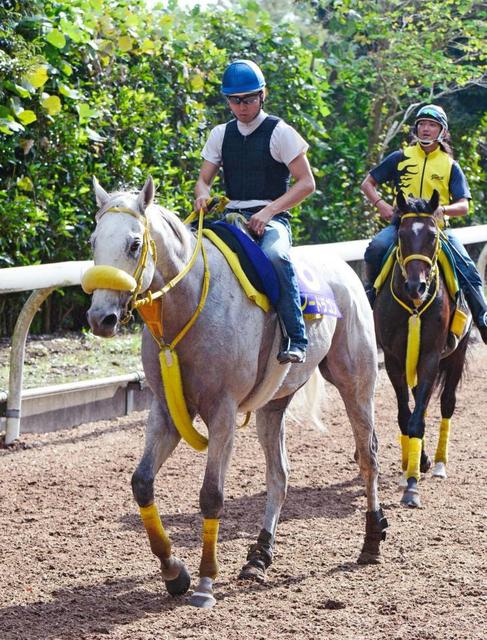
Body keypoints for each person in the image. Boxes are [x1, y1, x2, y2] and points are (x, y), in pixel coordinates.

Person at [194, 59, 315, 363]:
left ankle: (296, 337)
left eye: (248, 99)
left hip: (272, 219)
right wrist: (202, 195)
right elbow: (202, 180)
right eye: (235, 101)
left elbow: (306, 184)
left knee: (276, 256)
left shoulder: (281, 132)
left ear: (263, 95)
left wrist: (269, 212)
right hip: (231, 217)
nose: (242, 107)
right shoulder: (220, 134)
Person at [361, 103, 487, 343]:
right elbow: (367, 183)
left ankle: (482, 318)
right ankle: (368, 302)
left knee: (467, 268)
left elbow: (464, 205)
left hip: (436, 231)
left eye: (432, 125)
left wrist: (443, 209)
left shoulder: (450, 165)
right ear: (415, 129)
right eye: (422, 125)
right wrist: (381, 205)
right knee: (376, 248)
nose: (426, 129)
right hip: (402, 228)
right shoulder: (400, 157)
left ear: (442, 131)